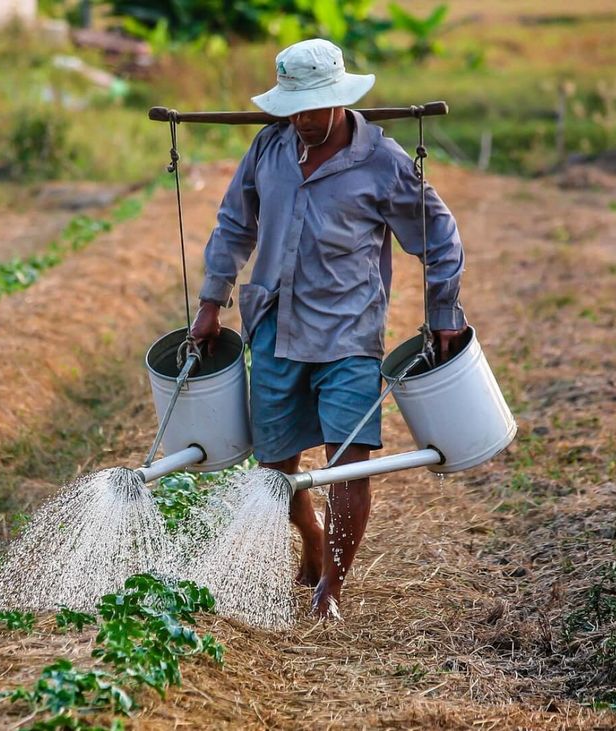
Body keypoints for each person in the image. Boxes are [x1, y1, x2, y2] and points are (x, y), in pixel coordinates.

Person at [189, 38, 469, 619]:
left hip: (349, 333)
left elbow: (439, 237)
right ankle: (311, 538)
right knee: (275, 468)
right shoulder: (269, 148)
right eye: (293, 108)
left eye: (313, 108)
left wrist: (443, 312)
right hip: (274, 327)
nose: (302, 120)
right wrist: (211, 302)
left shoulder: (383, 162)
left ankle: (330, 591)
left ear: (341, 99)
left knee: (349, 464)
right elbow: (234, 225)